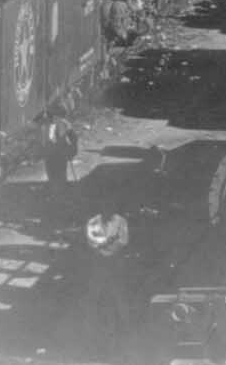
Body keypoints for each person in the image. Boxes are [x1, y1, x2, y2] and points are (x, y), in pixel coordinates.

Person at [82, 211, 132, 360]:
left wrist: (107, 244)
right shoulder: (93, 222)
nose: (107, 210)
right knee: (94, 298)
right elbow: (93, 242)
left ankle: (124, 335)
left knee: (119, 298)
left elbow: (123, 241)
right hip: (99, 264)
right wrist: (111, 242)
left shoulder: (120, 221)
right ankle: (92, 339)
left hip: (116, 263)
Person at [40, 104, 79, 195]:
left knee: (54, 173)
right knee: (59, 173)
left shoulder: (53, 124)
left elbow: (49, 140)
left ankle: (57, 191)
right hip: (58, 153)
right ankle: (59, 191)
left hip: (55, 153)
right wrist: (72, 150)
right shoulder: (62, 123)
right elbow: (73, 138)